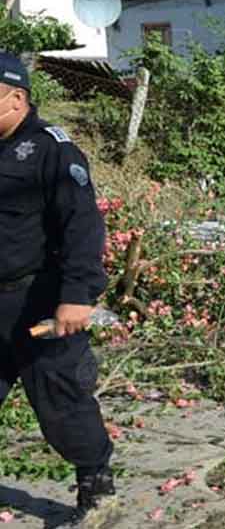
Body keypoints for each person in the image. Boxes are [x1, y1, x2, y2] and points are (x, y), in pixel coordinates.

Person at [0, 52, 115, 523]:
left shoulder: (52, 150)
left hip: (39, 303)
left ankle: (96, 486)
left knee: (61, 401)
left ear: (16, 98)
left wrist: (77, 296)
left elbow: (81, 225)